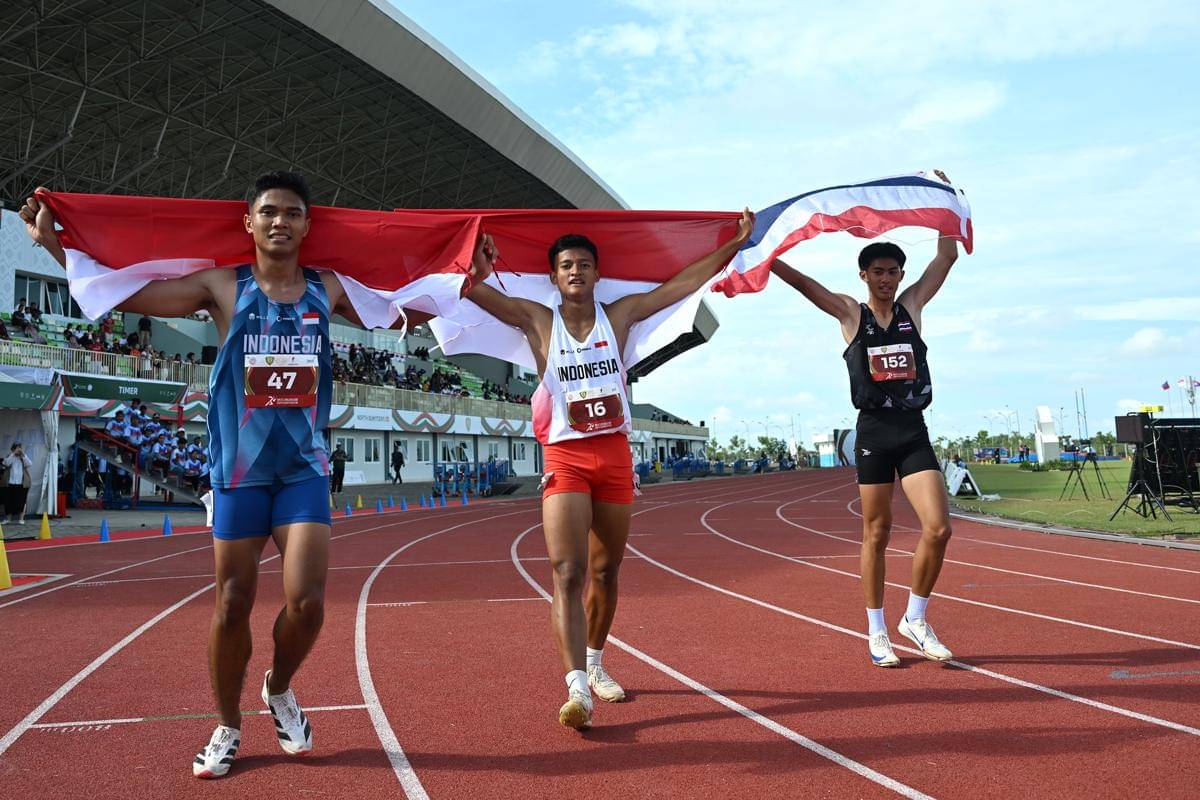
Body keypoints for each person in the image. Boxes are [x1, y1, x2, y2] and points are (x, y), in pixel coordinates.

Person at [19, 170, 436, 779]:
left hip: (303, 469)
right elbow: (133, 294)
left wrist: (464, 276)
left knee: (308, 603)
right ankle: (227, 724)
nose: (279, 222)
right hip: (239, 471)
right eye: (268, 211)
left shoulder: (330, 289)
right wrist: (55, 246)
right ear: (249, 222)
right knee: (232, 601)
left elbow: (404, 310)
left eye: (292, 213)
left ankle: (278, 687)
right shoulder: (224, 286)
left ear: (307, 225)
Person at [463, 210, 753, 730]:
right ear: (554, 276)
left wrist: (731, 246)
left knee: (605, 571)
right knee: (568, 572)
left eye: (584, 265)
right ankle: (577, 687)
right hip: (566, 458)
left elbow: (680, 285)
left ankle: (596, 661)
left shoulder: (617, 317)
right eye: (567, 265)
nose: (576, 272)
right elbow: (480, 296)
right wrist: (476, 267)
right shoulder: (539, 320)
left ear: (598, 274)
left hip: (615, 456)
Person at [769, 170, 962, 668]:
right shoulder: (851, 317)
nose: (886, 278)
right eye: (877, 271)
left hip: (912, 430)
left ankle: (914, 618)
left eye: (893, 271)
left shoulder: (912, 308)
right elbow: (806, 286)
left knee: (938, 527)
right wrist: (767, 255)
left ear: (900, 276)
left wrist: (949, 203)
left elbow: (946, 258)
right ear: (864, 275)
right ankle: (876, 628)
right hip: (874, 432)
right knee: (876, 532)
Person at [2, 443, 33, 525]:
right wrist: (13, 454)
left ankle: (21, 519)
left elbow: (29, 464)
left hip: (21, 483)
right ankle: (8, 519)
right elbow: (6, 463)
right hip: (10, 483)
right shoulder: (9, 456)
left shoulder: (23, 457)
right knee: (8, 501)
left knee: (22, 501)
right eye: (16, 448)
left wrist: (23, 455)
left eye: (20, 448)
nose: (18, 450)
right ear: (12, 449)